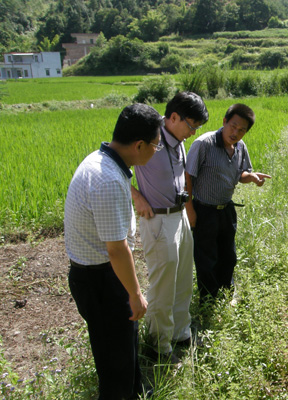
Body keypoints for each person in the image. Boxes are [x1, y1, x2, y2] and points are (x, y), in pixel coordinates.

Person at [64, 103, 163, 399]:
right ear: (139, 145)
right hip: (102, 282)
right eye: (155, 146)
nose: (155, 152)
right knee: (114, 364)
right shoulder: (107, 179)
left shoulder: (101, 160)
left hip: (98, 276)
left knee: (122, 347)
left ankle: (136, 392)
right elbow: (117, 250)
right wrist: (134, 295)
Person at [131, 91, 209, 363]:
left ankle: (179, 331)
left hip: (179, 216)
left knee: (184, 279)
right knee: (163, 285)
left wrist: (188, 210)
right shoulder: (149, 136)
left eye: (197, 128)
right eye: (191, 125)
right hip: (158, 219)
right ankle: (158, 345)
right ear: (173, 117)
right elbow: (112, 164)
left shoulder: (178, 140)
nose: (193, 132)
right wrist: (136, 196)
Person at [185, 103, 271, 305]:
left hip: (226, 209)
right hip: (204, 209)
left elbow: (240, 174)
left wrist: (252, 177)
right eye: (233, 126)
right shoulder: (203, 144)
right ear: (224, 122)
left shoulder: (240, 147)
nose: (236, 132)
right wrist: (189, 210)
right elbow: (188, 177)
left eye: (242, 130)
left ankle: (226, 295)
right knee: (207, 259)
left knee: (228, 256)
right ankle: (208, 301)